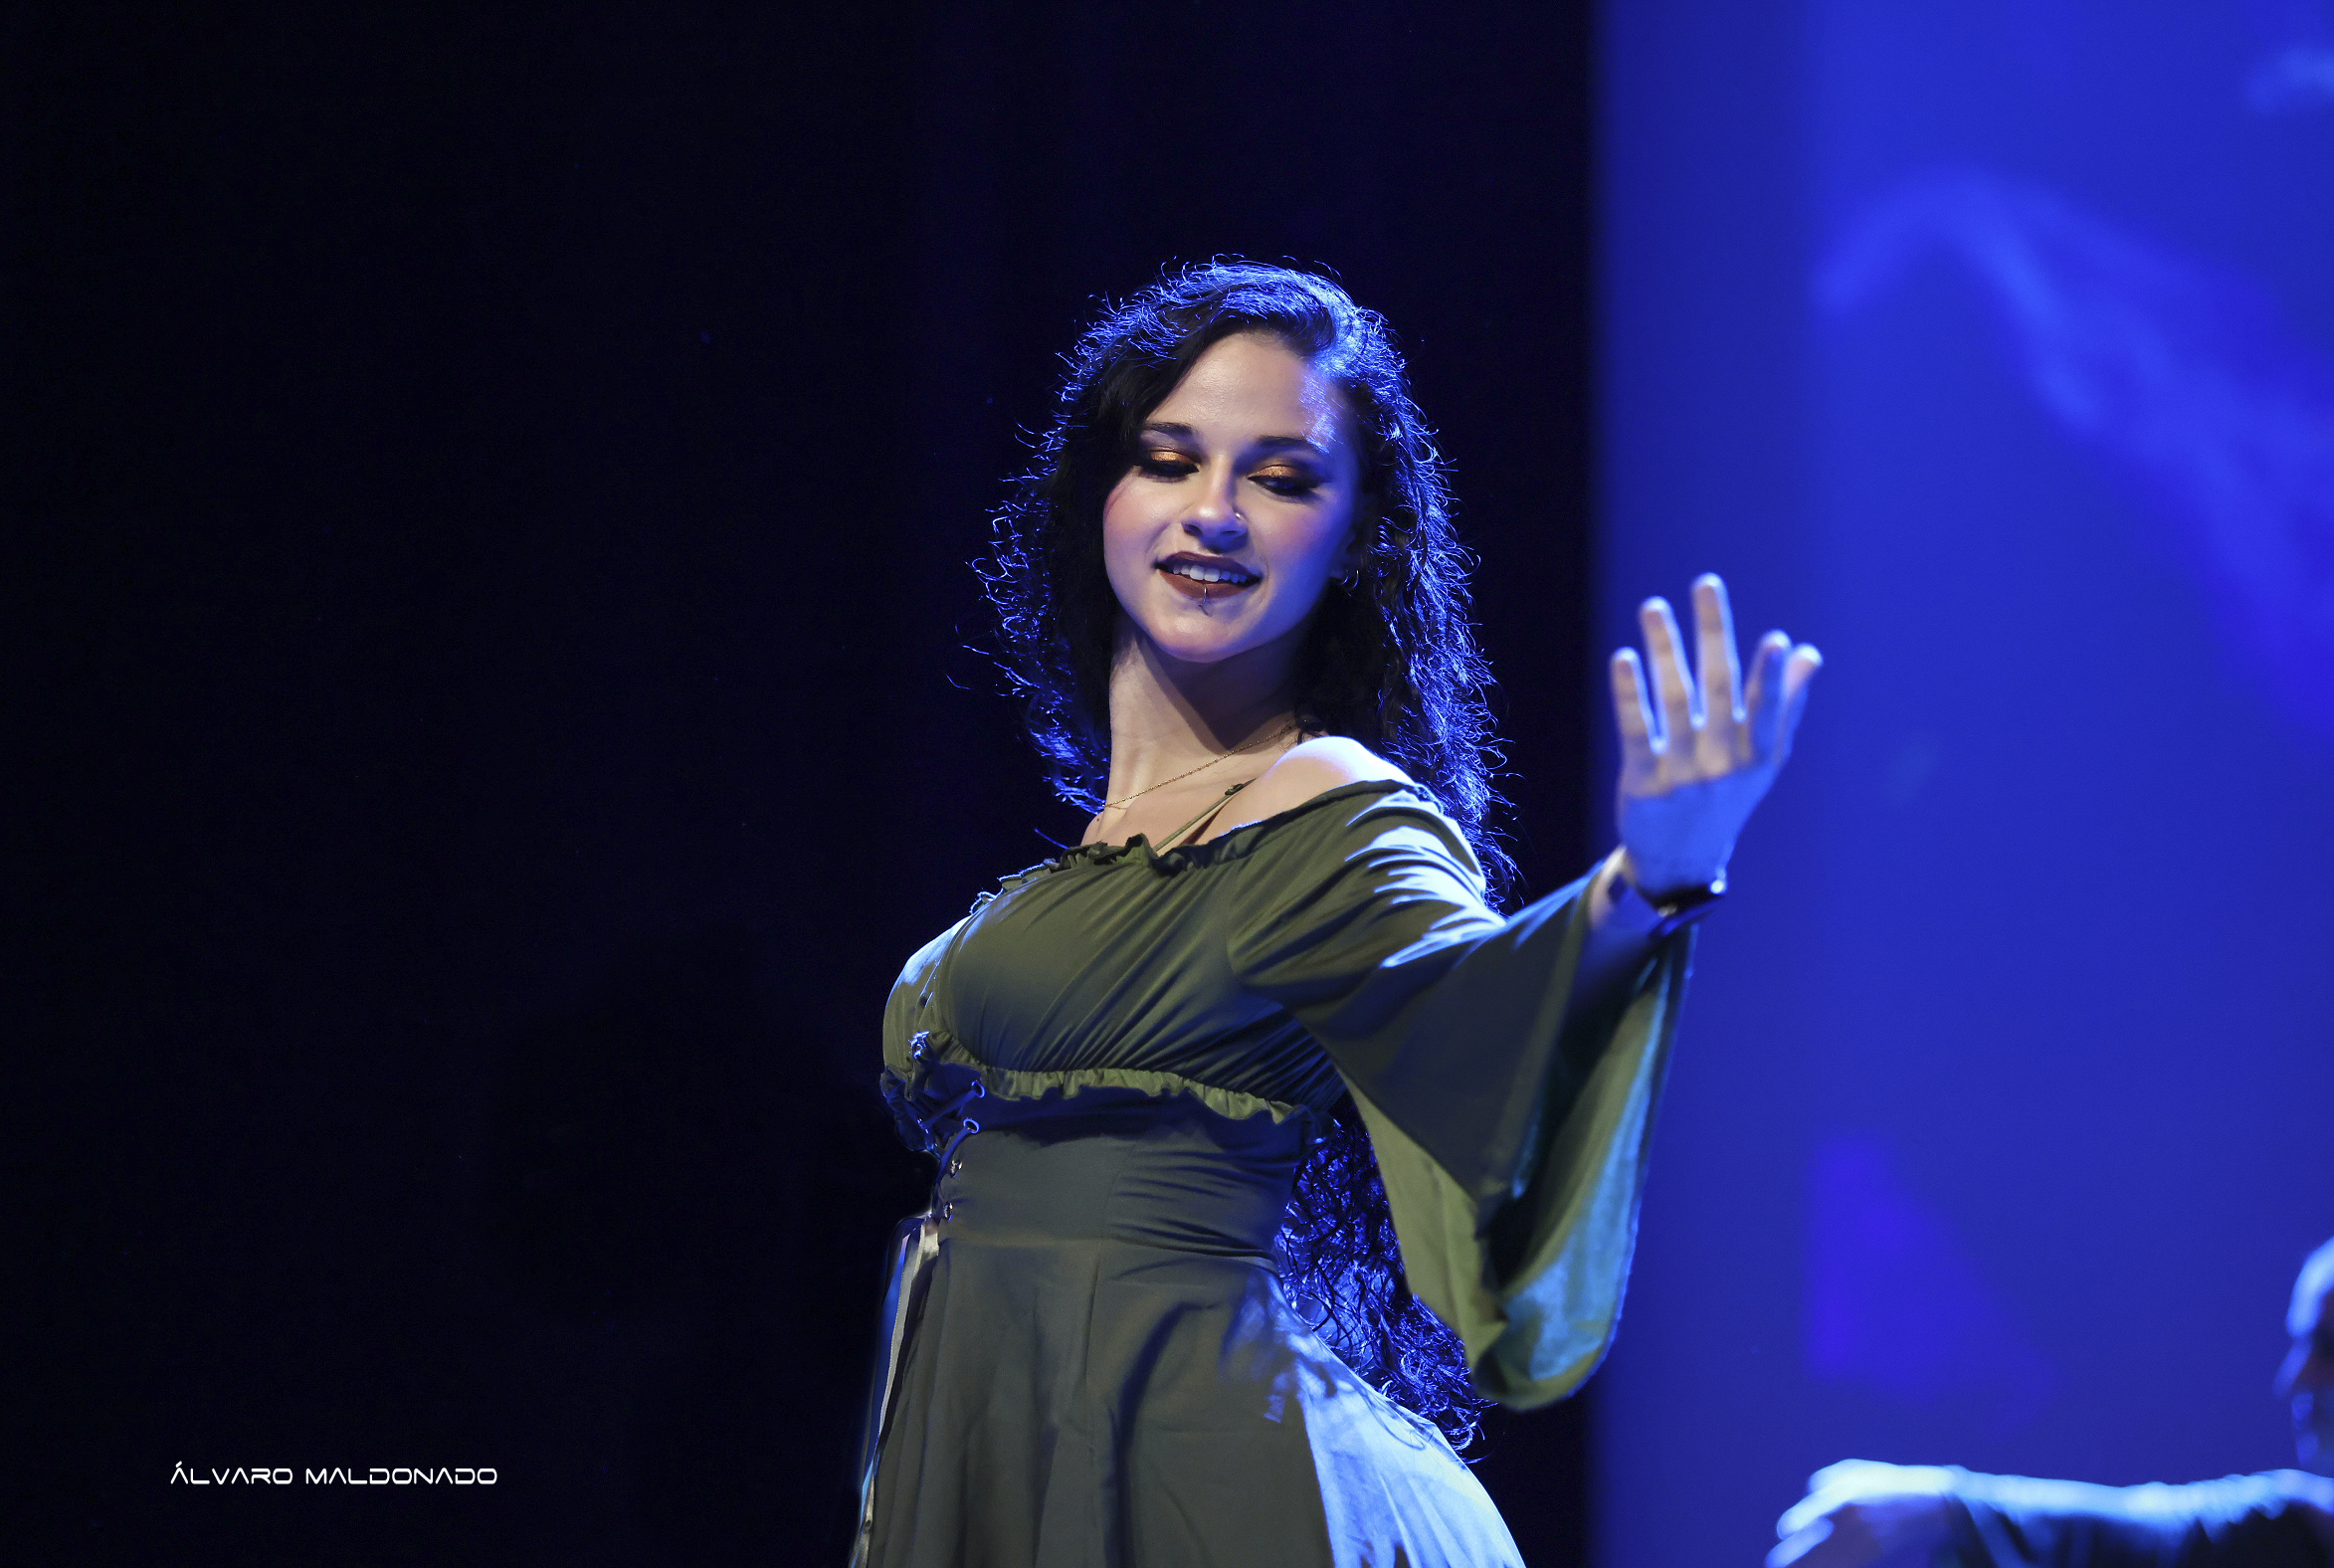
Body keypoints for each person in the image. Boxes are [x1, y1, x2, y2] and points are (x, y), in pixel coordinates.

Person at [853, 261, 1821, 1566]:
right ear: (1102, 491)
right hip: (1009, 1435)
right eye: (1170, 460)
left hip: (1184, 1471)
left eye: (1282, 478)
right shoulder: (1120, 839)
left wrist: (1645, 884)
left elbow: (1480, 1012)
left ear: (1359, 532)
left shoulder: (1326, 804)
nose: (1214, 513)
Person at [1770, 1239, 2334, 1568]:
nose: (2296, 1381)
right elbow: (2150, 1537)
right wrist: (1943, 1506)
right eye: (2301, 1346)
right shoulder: (2297, 1533)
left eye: (2329, 1347)